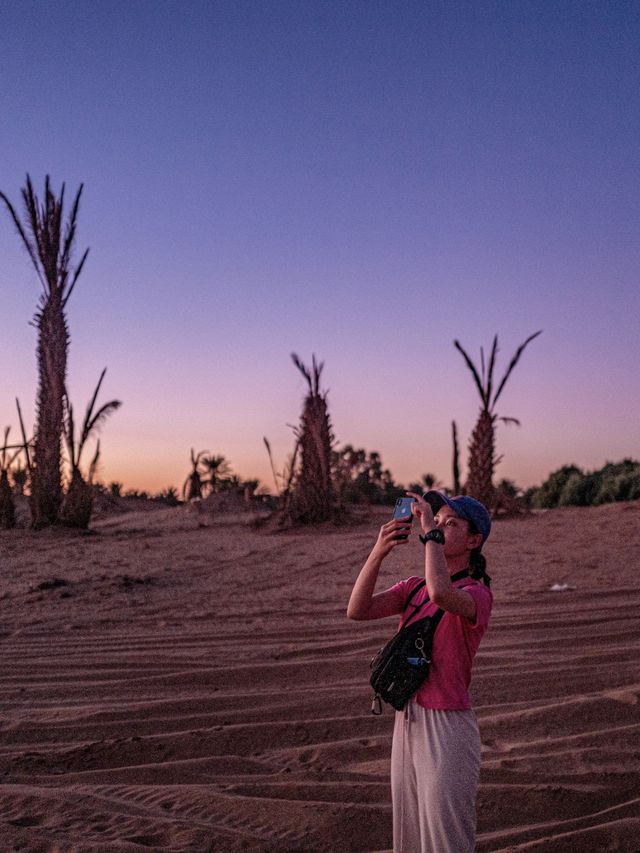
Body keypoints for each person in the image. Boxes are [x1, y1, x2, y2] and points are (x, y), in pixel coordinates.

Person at [347, 490, 493, 853]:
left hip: (447, 729)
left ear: (474, 541)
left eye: (451, 523)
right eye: (438, 519)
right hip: (408, 718)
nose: (440, 526)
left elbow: (441, 592)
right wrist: (378, 551)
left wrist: (429, 533)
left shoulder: (476, 594)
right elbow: (357, 609)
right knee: (409, 835)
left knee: (446, 839)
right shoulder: (413, 588)